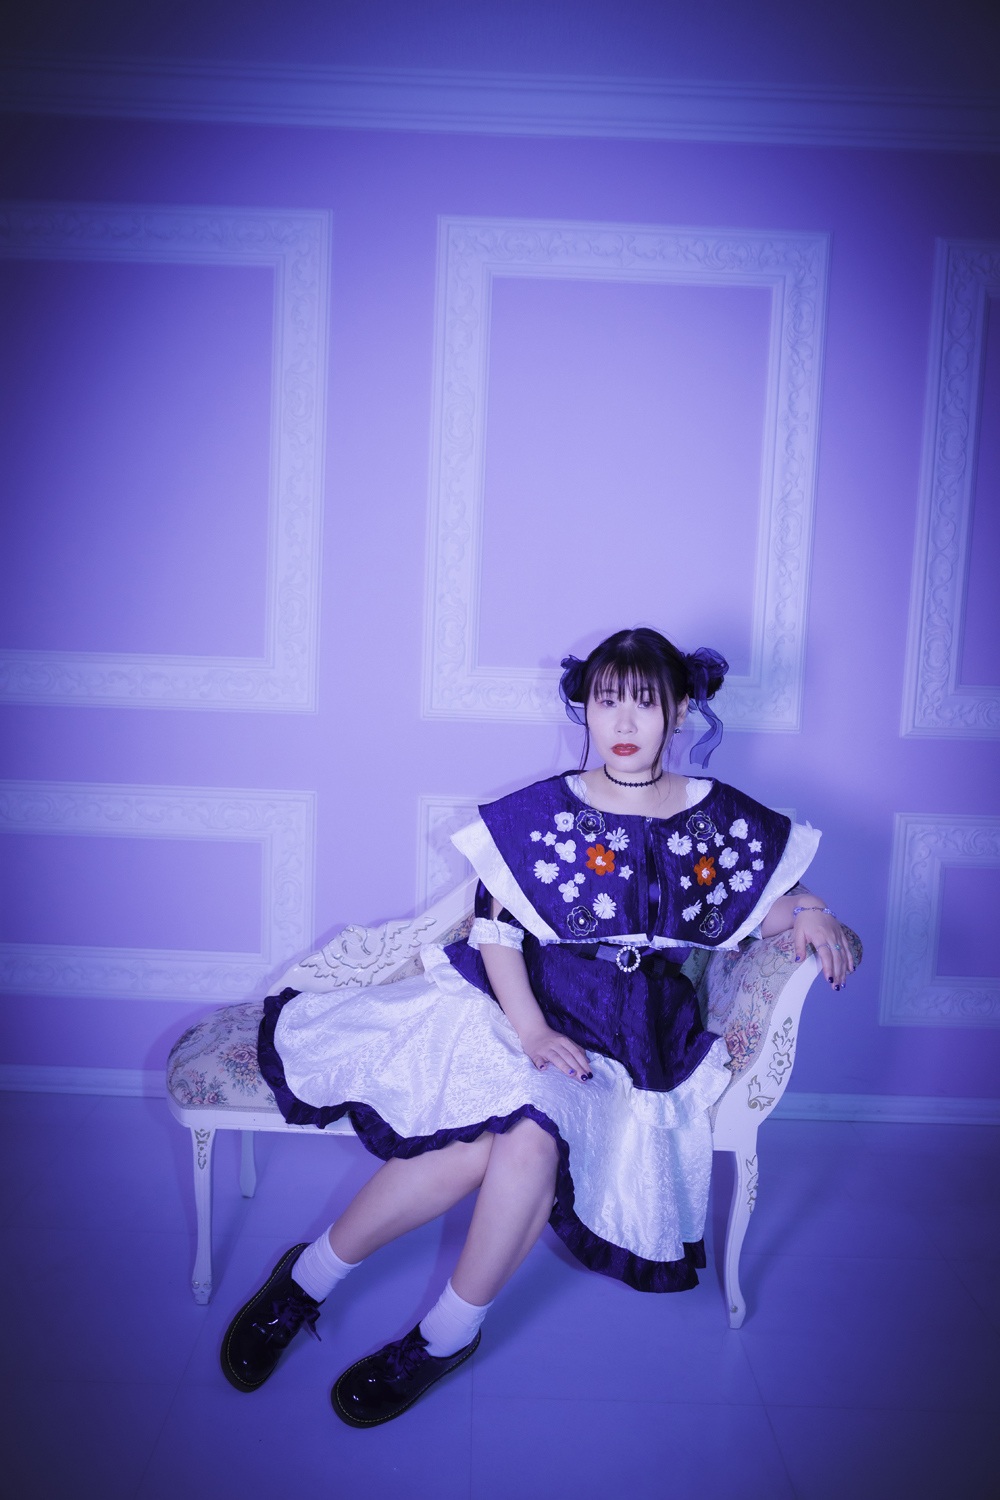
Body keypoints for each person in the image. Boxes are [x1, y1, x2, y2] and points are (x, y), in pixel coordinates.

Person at [221, 627, 852, 1426]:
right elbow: (496, 932)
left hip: (635, 1030)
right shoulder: (547, 809)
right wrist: (529, 1032)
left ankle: (439, 1333)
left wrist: (812, 911)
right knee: (484, 1144)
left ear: (679, 710)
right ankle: (309, 1282)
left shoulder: (713, 815)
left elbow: (762, 904)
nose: (624, 722)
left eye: (645, 702)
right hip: (526, 1001)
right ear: (586, 709)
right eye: (607, 700)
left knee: (523, 1146)